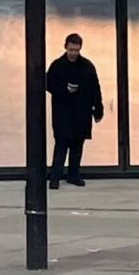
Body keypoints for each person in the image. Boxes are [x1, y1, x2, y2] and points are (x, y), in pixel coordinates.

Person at [45, 32, 104, 188]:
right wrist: (65, 89)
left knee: (77, 145)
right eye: (71, 49)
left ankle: (73, 175)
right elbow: (47, 84)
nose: (73, 53)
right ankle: (55, 177)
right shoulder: (57, 66)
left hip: (81, 112)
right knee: (61, 145)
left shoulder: (87, 66)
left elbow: (95, 88)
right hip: (62, 112)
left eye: (76, 50)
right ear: (65, 47)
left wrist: (98, 109)